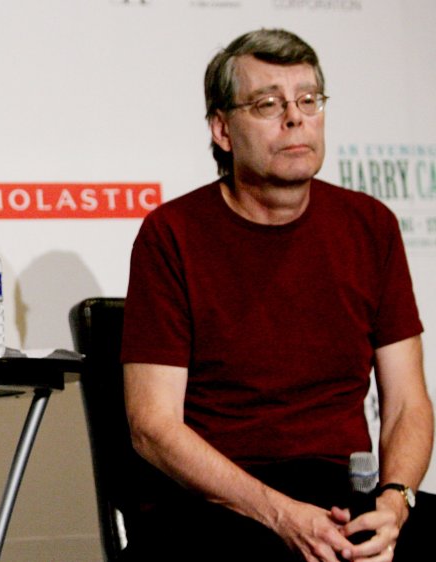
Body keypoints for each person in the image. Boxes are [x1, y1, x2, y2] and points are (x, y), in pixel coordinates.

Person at [121, 29, 434, 562]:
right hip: (222, 505)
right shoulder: (172, 234)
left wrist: (395, 503)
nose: (295, 118)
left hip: (344, 497)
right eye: (268, 104)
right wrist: (281, 514)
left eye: (308, 100)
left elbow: (406, 402)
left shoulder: (370, 226)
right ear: (222, 129)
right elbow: (152, 426)